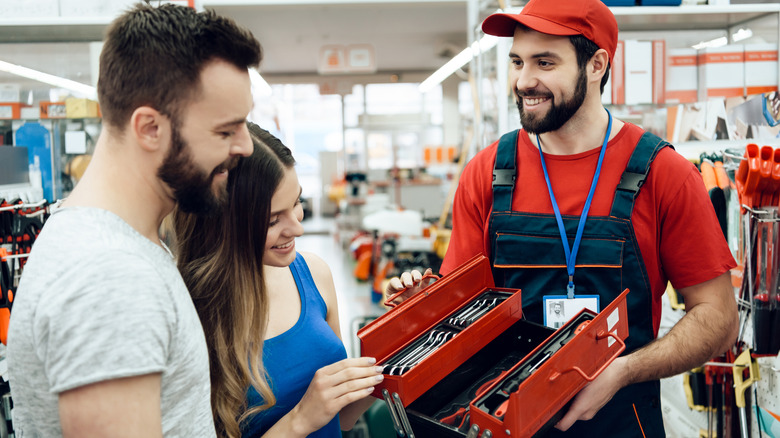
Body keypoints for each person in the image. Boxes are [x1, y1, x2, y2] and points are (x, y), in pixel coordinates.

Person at [389, 0, 738, 436]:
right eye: (517, 61)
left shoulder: (663, 173)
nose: (523, 80)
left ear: (596, 65)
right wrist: (422, 317)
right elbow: (464, 318)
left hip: (621, 418)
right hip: (501, 419)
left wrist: (623, 371)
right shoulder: (487, 172)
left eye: (545, 62)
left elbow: (719, 318)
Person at [7, 4, 262, 436]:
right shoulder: (109, 275)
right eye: (226, 130)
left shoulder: (119, 242)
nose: (246, 147)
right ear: (148, 128)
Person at [172, 123, 381, 438]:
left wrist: (402, 339)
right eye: (272, 220)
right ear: (223, 224)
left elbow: (343, 418)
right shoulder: (189, 313)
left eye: (296, 203)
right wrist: (299, 420)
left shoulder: (313, 275)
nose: (297, 228)